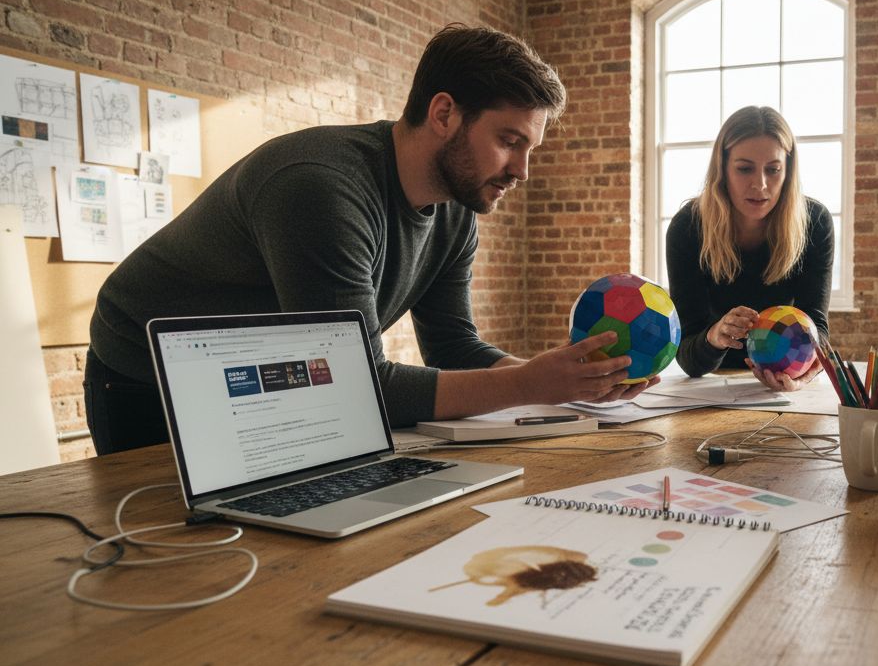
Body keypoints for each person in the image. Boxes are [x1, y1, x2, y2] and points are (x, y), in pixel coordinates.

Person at [85, 24, 653, 456]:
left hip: (260, 380)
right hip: (147, 380)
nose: (522, 171)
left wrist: (569, 381)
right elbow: (357, 384)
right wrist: (532, 383)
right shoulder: (321, 188)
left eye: (530, 148)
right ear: (444, 113)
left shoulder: (454, 216)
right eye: (509, 141)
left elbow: (453, 347)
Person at [665, 106, 832, 392]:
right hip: (711, 388)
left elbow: (816, 327)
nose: (760, 184)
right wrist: (715, 336)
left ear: (788, 170)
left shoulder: (815, 223)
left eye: (773, 169)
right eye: (744, 169)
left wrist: (808, 369)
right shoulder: (687, 228)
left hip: (782, 377)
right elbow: (688, 359)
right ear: (722, 169)